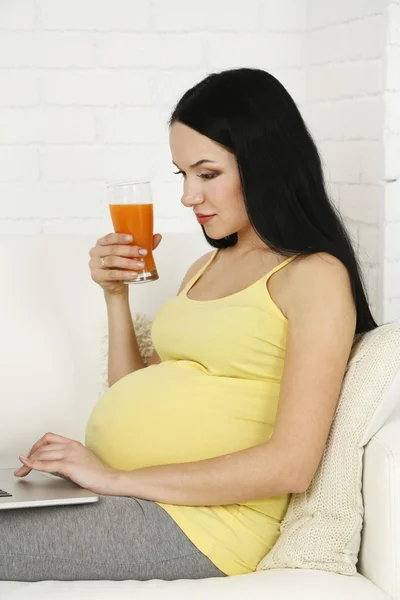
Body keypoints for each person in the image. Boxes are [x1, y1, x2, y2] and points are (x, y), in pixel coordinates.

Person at [2, 68, 378, 583]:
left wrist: (115, 477)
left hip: (202, 526)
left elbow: (290, 463)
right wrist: (116, 295)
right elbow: (135, 389)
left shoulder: (313, 276)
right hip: (133, 495)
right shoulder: (205, 267)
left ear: (265, 164)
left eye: (207, 174)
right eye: (181, 174)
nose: (187, 196)